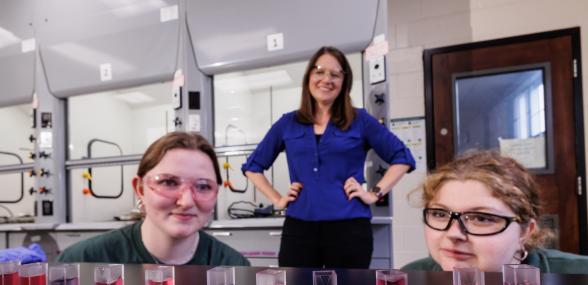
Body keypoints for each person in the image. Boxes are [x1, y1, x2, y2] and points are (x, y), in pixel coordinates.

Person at [242, 46, 415, 268]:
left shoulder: (360, 120)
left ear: (344, 82)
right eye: (320, 71)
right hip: (299, 228)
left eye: (335, 74)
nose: (327, 79)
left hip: (350, 228)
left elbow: (402, 157)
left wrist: (373, 193)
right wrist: (277, 200)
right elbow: (253, 166)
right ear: (309, 78)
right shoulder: (288, 123)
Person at [58, 132, 250, 266]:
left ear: (216, 193)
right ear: (140, 189)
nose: (187, 202)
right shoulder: (82, 262)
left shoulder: (233, 267)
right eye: (168, 182)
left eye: (203, 186)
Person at [403, 150, 588, 273]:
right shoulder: (411, 278)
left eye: (481, 218)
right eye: (440, 214)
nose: (453, 234)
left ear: (525, 231)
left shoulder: (578, 277)